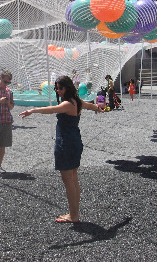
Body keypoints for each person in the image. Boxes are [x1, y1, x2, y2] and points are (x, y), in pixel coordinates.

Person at [18, 75, 103, 223]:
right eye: (56, 88)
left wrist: (33, 110)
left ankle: (74, 215)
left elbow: (51, 109)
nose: (58, 91)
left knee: (69, 180)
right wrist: (98, 108)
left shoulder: (69, 104)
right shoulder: (77, 102)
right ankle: (74, 213)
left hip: (66, 143)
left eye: (60, 88)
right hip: (75, 142)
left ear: (68, 87)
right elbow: (91, 106)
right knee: (73, 179)